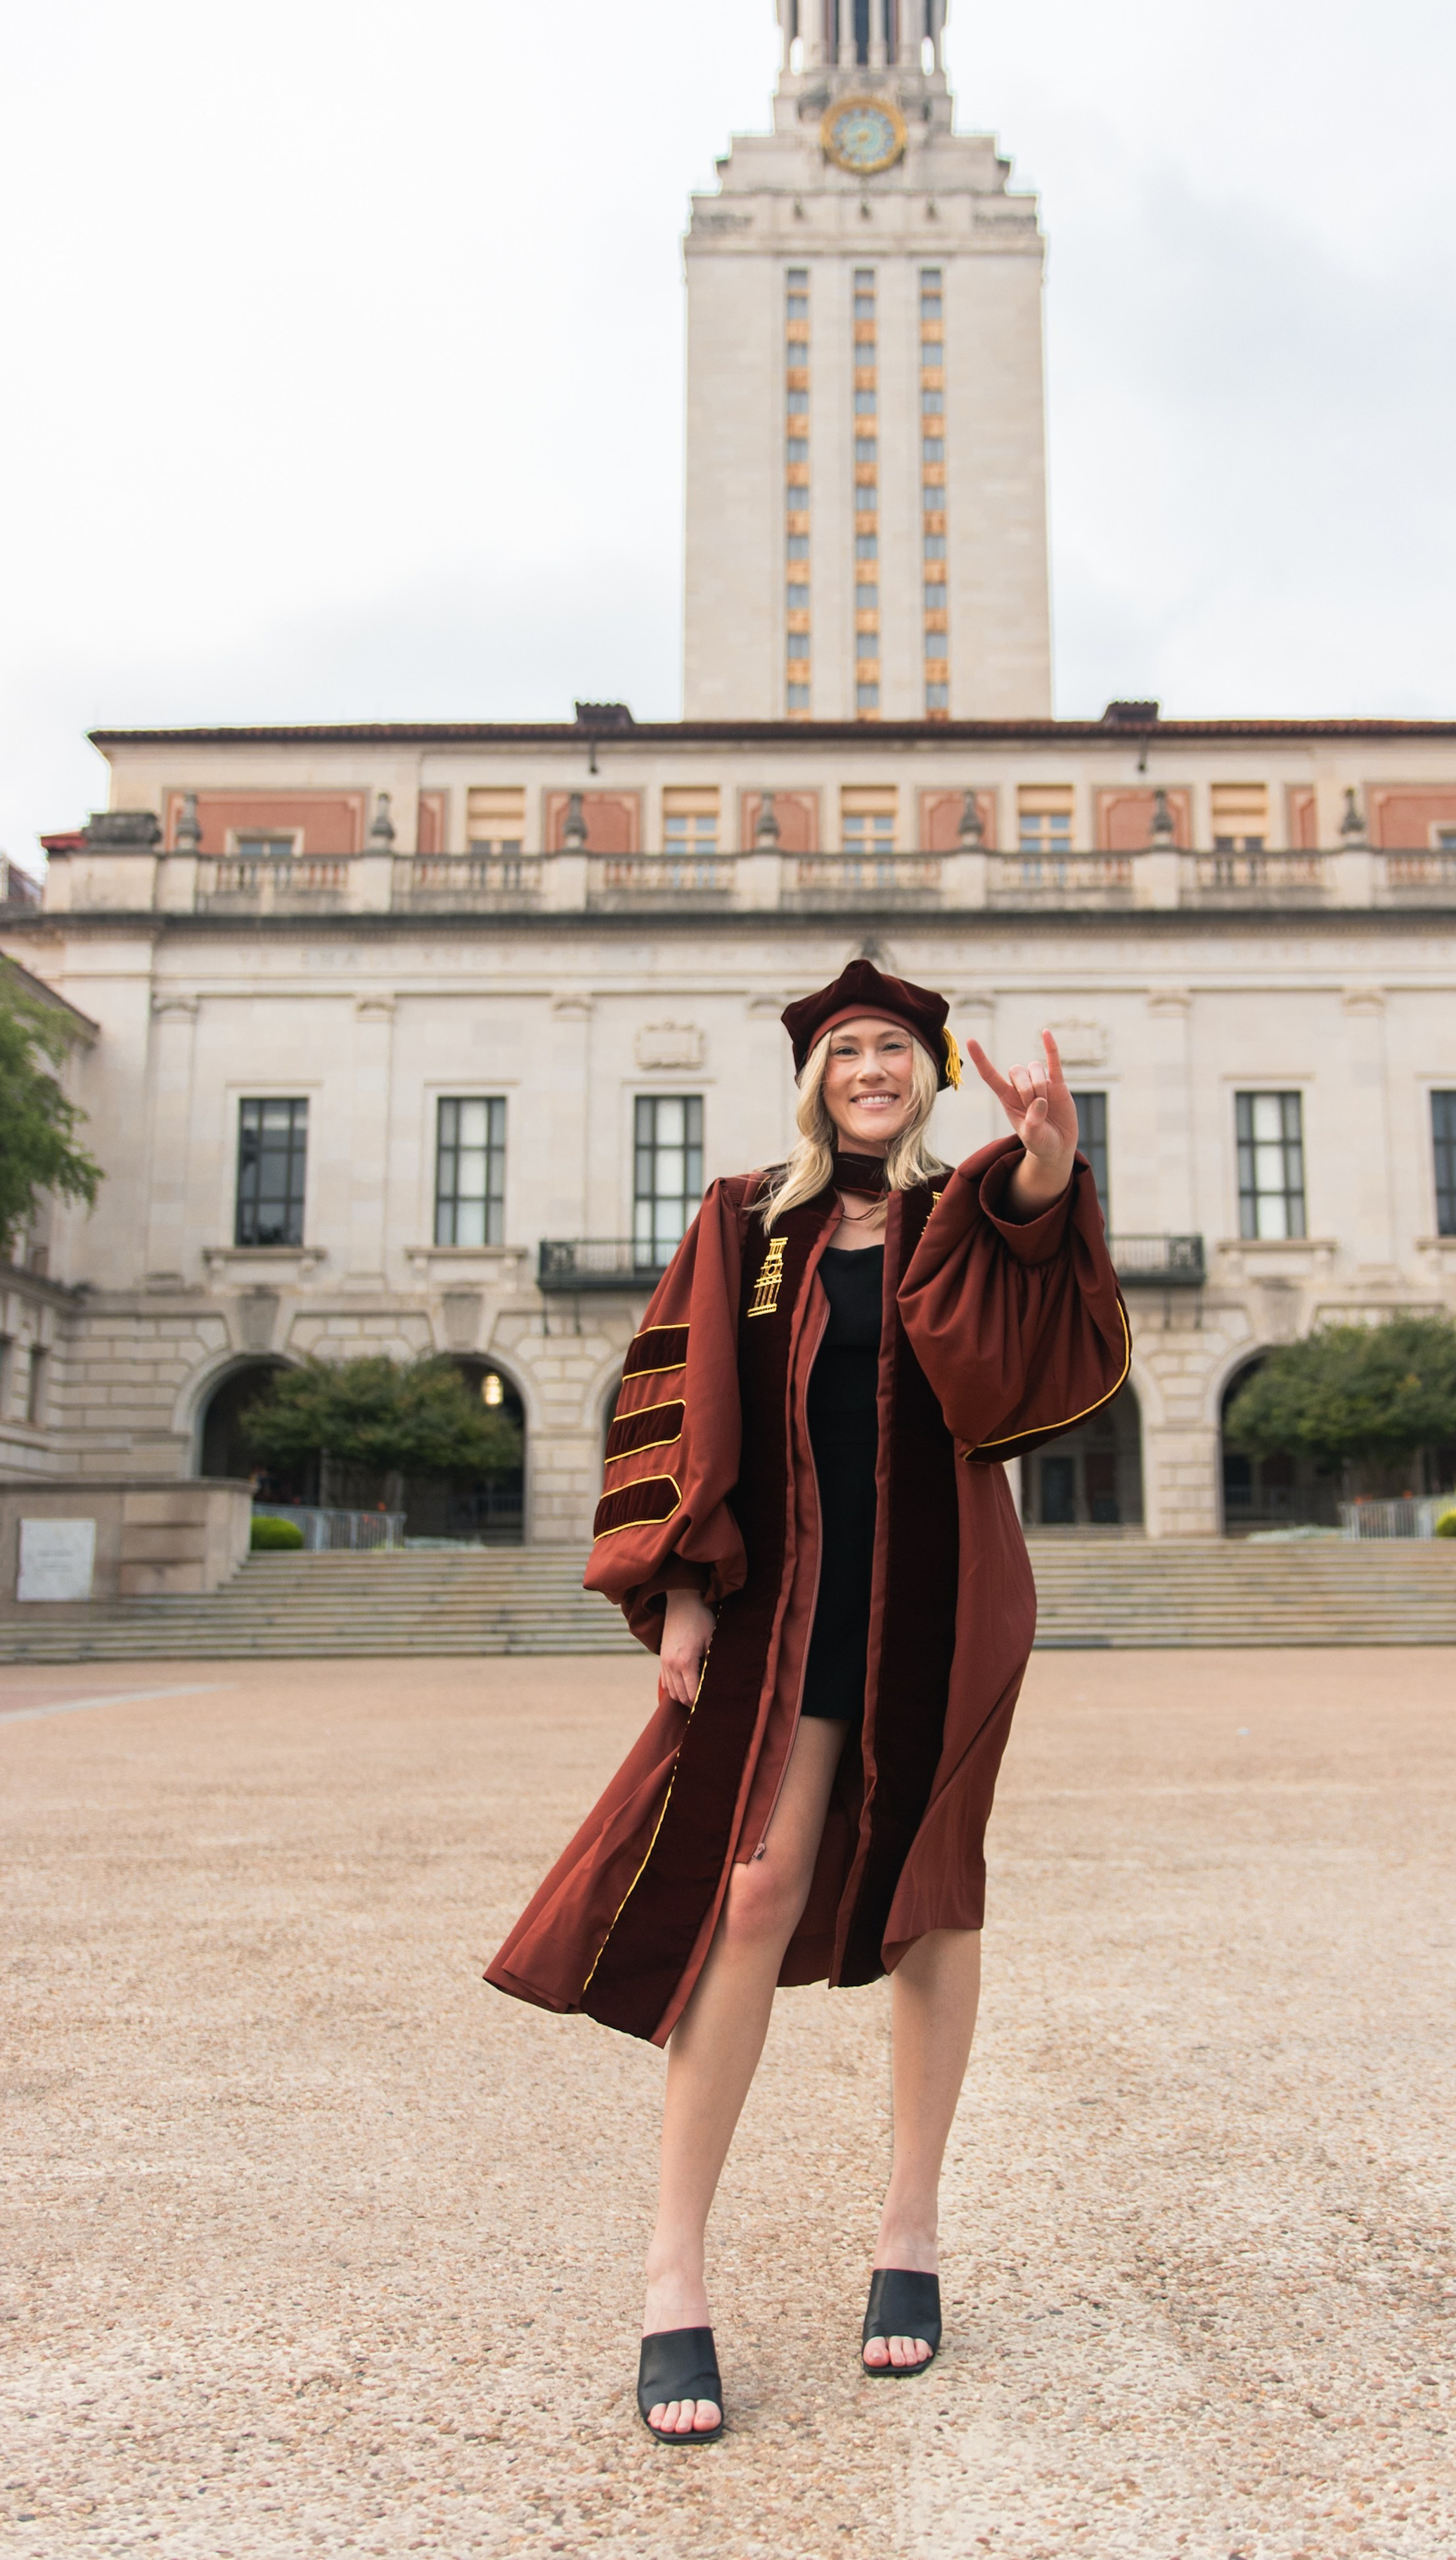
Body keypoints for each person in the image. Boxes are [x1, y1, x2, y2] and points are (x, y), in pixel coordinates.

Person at [485, 959, 1128, 2441]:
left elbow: (1016, 1325)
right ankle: (672, 2274)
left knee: (933, 1894)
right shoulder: (741, 1224)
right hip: (781, 1605)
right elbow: (677, 1396)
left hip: (939, 1597)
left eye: (894, 1049)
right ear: (812, 1076)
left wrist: (1040, 1170)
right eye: (845, 1047)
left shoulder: (953, 1217)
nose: (868, 1068)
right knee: (755, 1886)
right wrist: (686, 1589)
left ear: (928, 1075)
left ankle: (907, 2234)